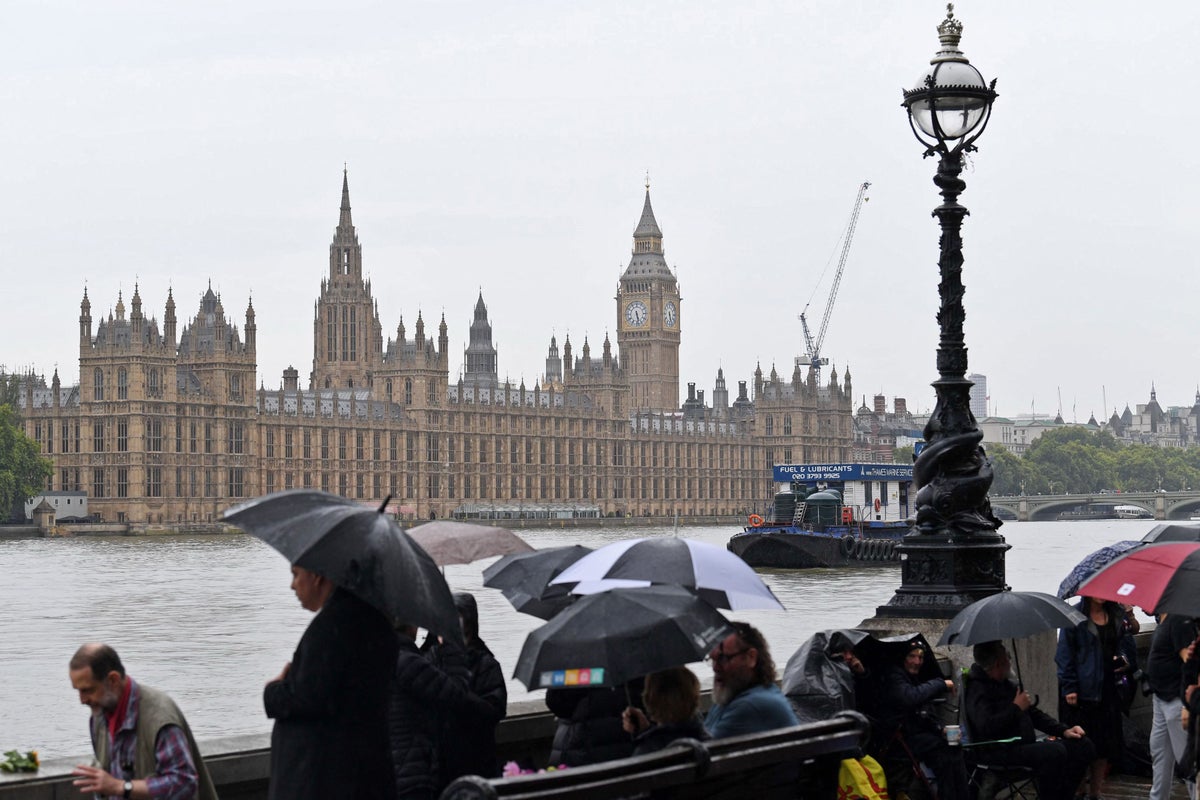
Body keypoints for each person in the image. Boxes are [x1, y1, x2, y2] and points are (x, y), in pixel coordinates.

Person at [263, 565, 399, 800]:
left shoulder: (332, 626)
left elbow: (309, 697)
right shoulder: (377, 623)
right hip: (368, 774)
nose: (292, 585)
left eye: (296, 574)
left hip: (326, 779)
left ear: (317, 577)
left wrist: (273, 691)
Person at [69, 643, 217, 800]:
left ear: (113, 680)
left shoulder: (160, 718)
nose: (82, 700)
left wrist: (121, 787)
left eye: (88, 690)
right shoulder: (99, 718)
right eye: (78, 691)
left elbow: (184, 783)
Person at [965, 641, 1095, 800]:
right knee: (1054, 753)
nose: (1010, 660)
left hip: (1023, 744)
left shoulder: (1006, 684)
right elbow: (986, 726)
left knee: (1083, 745)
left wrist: (1063, 730)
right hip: (999, 749)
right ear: (998, 663)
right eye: (1007, 656)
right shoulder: (977, 689)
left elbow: (1034, 714)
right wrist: (1015, 708)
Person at [391, 624, 502, 798]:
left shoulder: (376, 658)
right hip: (413, 773)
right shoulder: (409, 662)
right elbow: (456, 695)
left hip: (389, 770)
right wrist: (451, 646)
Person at [1055, 595, 1137, 800]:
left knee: (1105, 743)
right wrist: (1070, 686)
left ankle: (1096, 791)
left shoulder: (1115, 614)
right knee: (1080, 744)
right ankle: (1079, 789)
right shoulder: (1074, 616)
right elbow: (1064, 654)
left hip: (1108, 686)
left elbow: (1127, 637)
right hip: (1082, 690)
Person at [428, 592, 507, 782]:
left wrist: (461, 694)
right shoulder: (428, 660)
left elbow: (494, 711)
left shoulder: (486, 664)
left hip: (474, 761)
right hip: (436, 765)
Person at [879, 641, 968, 800]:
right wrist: (940, 683)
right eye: (912, 656)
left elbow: (923, 714)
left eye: (920, 657)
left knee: (955, 749)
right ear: (903, 658)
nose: (917, 662)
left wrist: (940, 730)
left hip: (917, 734)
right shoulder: (895, 676)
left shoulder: (913, 677)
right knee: (943, 754)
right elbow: (911, 697)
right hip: (900, 739)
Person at [705, 622, 798, 739]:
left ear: (751, 657)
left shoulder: (751, 706)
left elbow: (702, 752)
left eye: (723, 658)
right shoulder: (731, 696)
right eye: (712, 660)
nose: (715, 667)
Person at [1147, 613, 1198, 800]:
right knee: (1159, 753)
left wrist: (1188, 704)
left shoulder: (1178, 620)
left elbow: (1192, 662)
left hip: (1177, 700)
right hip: (1160, 697)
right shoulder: (1164, 619)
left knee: (1187, 759)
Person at [546, 679, 644, 766]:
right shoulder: (632, 665)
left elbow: (556, 702)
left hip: (582, 751)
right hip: (629, 750)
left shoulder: (578, 664)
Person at [621, 667, 709, 755]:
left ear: (649, 701)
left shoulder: (645, 752)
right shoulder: (707, 741)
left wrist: (646, 734)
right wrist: (646, 729)